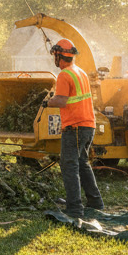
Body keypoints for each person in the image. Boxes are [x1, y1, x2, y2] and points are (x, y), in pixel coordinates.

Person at [44, 37, 103, 218]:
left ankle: (75, 209)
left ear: (59, 57)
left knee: (69, 166)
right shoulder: (80, 72)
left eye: (55, 55)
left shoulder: (64, 75)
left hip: (74, 127)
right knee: (82, 163)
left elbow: (61, 100)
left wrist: (46, 102)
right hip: (88, 126)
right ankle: (95, 202)